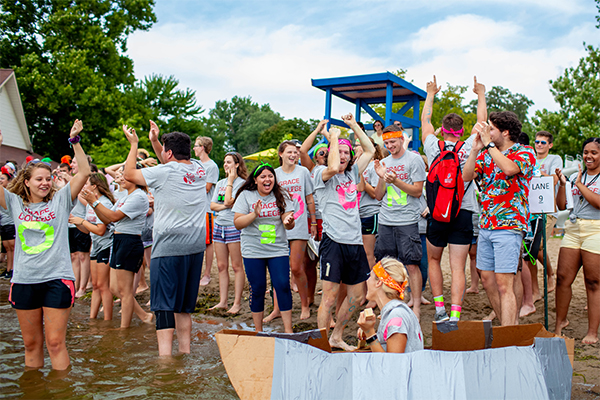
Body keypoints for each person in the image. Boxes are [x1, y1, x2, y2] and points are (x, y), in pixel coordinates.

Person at [0, 121, 89, 370]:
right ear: (26, 182)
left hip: (56, 279)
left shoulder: (60, 201)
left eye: (48, 179)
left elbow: (83, 173)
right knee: (31, 344)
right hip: (25, 279)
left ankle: (61, 393)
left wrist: (75, 142)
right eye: (39, 179)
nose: (45, 183)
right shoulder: (15, 203)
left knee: (56, 343)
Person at [121, 121, 208, 355]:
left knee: (164, 307)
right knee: (183, 308)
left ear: (168, 153)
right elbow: (168, 163)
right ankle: (186, 352)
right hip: (196, 247)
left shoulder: (166, 171)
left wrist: (134, 144)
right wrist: (155, 141)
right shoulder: (199, 169)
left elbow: (129, 174)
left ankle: (166, 362)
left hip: (168, 247)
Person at [420, 76, 487, 322]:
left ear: (444, 129)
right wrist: (480, 94)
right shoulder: (470, 146)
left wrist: (430, 94)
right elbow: (482, 121)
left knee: (434, 260)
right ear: (461, 131)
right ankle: (456, 313)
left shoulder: (431, 144)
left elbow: (425, 120)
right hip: (463, 211)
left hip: (437, 212)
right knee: (458, 266)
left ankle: (439, 310)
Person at [463, 112, 535, 326]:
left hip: (509, 225)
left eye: (491, 128)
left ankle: (509, 332)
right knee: (487, 280)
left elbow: (509, 168)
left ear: (505, 132)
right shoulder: (485, 154)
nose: (486, 132)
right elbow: (467, 176)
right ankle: (507, 326)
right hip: (486, 224)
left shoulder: (524, 152)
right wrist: (475, 151)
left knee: (505, 284)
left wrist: (488, 146)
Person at [315, 113, 375, 350]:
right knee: (329, 297)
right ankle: (321, 343)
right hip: (333, 242)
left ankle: (336, 336)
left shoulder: (352, 174)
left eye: (346, 153)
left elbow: (370, 150)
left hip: (354, 243)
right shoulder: (320, 176)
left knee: (356, 297)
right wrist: (334, 139)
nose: (342, 156)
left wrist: (352, 126)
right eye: (338, 151)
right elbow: (331, 166)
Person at [83, 146, 153, 329]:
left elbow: (113, 217)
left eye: (124, 174)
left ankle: (124, 331)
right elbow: (107, 218)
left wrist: (94, 202)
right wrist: (94, 204)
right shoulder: (124, 196)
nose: (120, 177)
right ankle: (144, 316)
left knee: (126, 291)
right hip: (118, 240)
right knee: (114, 288)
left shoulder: (138, 196)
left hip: (130, 242)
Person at [233, 163, 295, 333]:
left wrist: (288, 222)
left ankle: (288, 331)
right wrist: (254, 214)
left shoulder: (281, 194)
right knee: (257, 288)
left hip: (277, 249)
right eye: (263, 177)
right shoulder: (246, 195)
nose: (267, 180)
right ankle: (258, 331)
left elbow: (288, 222)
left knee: (282, 285)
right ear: (255, 179)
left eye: (270, 176)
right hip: (253, 250)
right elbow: (238, 223)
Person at [372, 124, 426, 320]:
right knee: (386, 265)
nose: (390, 146)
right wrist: (381, 177)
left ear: (402, 139)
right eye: (386, 143)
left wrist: (395, 180)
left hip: (407, 220)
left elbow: (417, 191)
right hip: (386, 219)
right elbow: (378, 196)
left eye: (393, 141)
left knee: (411, 264)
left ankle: (416, 307)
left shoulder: (414, 159)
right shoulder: (384, 162)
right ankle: (390, 305)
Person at [555, 137, 600, 344]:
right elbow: (562, 205)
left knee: (593, 282)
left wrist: (579, 184)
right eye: (586, 152)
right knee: (562, 278)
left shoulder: (582, 179)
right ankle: (559, 324)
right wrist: (564, 185)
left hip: (595, 229)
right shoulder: (575, 177)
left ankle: (592, 332)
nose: (588, 156)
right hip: (573, 228)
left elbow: (598, 203)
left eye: (594, 153)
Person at [270, 140, 316, 320]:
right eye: (289, 152)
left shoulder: (303, 172)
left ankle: (305, 305)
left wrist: (313, 222)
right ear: (281, 154)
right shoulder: (274, 174)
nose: (293, 155)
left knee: (296, 268)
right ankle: (277, 308)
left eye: (296, 152)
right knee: (276, 269)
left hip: (299, 224)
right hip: (277, 225)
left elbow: (309, 197)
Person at [69, 173, 114, 320]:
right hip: (95, 246)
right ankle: (92, 319)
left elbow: (101, 230)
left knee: (103, 286)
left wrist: (81, 222)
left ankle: (107, 320)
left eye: (86, 183)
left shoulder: (104, 203)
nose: (83, 186)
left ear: (94, 186)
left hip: (106, 246)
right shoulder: (90, 204)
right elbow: (88, 230)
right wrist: (76, 222)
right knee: (95, 285)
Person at [357, 257, 424, 353]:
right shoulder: (394, 313)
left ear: (379, 282)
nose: (367, 281)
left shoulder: (396, 316)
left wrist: (370, 334)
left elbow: (392, 364)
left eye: (370, 276)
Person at [209, 152, 247, 314]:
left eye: (229, 162)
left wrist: (230, 182)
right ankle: (223, 301)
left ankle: (237, 303)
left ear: (237, 164)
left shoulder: (243, 183)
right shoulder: (220, 183)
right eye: (224, 162)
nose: (226, 165)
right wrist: (226, 205)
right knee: (221, 266)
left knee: (236, 266)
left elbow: (229, 201)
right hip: (219, 226)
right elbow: (212, 206)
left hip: (234, 226)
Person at [527, 131, 561, 299]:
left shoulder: (554, 159)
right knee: (530, 251)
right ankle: (535, 291)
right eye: (537, 141)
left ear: (550, 145)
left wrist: (538, 174)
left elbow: (554, 180)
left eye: (542, 142)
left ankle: (550, 274)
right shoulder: (529, 156)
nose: (539, 144)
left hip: (548, 211)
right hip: (530, 211)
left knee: (537, 247)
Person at [195, 136, 220, 287]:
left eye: (196, 145)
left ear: (203, 147)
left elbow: (207, 188)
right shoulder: (195, 164)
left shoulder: (212, 166)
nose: (194, 148)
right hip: (194, 209)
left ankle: (207, 273)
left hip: (206, 209)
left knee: (208, 243)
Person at [0, 169, 15, 279]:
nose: (0, 180)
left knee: (12, 247)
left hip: (11, 223)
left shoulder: (11, 192)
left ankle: (13, 269)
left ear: (9, 180)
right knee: (6, 247)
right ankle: (8, 269)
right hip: (3, 223)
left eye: (2, 178)